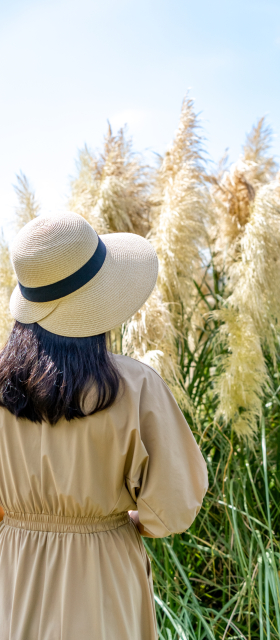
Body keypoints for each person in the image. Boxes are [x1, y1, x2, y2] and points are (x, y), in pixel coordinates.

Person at [0, 212, 208, 639]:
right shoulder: (135, 386)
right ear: (97, 300)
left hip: (12, 569)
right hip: (102, 571)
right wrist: (131, 519)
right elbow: (174, 503)